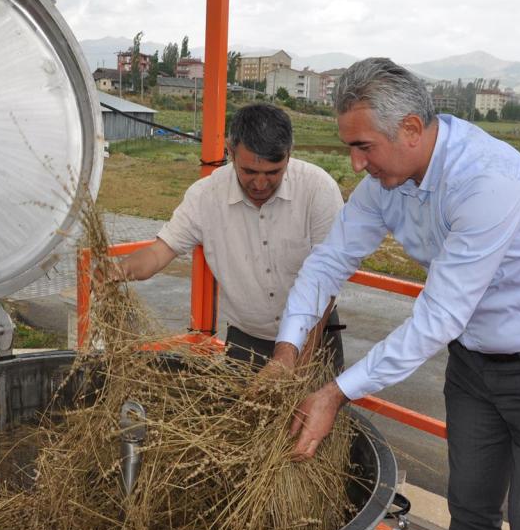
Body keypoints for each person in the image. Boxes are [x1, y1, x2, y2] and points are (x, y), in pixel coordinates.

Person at [266, 57, 520, 530]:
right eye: (349, 148)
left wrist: (335, 392)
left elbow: (439, 316)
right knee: (470, 513)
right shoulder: (389, 179)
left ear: (409, 129)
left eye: (363, 147)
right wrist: (287, 349)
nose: (356, 165)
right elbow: (330, 261)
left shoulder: (487, 181)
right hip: (476, 365)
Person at [107, 102, 345, 369]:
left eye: (272, 172)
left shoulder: (318, 190)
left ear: (289, 155)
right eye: (249, 171)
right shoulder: (205, 196)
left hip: (316, 334)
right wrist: (119, 271)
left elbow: (326, 281)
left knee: (315, 410)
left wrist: (298, 360)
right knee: (243, 410)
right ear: (231, 152)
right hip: (247, 340)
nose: (260, 183)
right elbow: (157, 253)